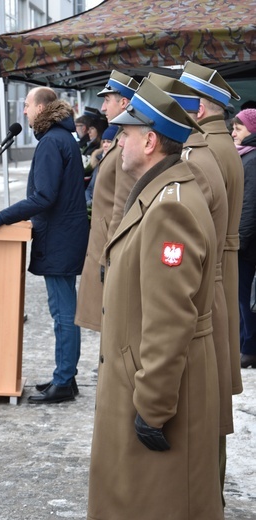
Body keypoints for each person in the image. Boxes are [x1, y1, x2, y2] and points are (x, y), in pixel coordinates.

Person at [87, 78, 223, 520]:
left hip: (153, 392)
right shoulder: (161, 193)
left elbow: (169, 321)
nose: (116, 139)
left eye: (124, 133)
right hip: (140, 379)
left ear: (149, 141)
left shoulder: (170, 206)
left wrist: (152, 408)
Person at [0, 86, 89, 404]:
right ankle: (65, 376)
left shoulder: (52, 141)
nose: (23, 111)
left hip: (60, 238)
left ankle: (64, 380)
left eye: (26, 105)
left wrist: (3, 217)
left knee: (63, 312)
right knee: (63, 309)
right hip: (63, 235)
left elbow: (43, 197)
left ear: (40, 108)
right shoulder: (59, 138)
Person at [147, 73, 233, 442]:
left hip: (202, 292)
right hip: (211, 285)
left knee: (201, 433)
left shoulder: (196, 160)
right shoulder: (206, 151)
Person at [179, 61, 244, 500]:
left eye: (183, 101)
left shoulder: (206, 154)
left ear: (200, 108)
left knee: (206, 404)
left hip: (211, 281)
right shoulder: (220, 146)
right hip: (222, 277)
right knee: (214, 399)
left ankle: (207, 492)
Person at [75, 70, 139, 332]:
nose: (103, 107)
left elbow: (122, 205)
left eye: (108, 100)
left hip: (108, 244)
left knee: (113, 321)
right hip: (102, 240)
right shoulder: (119, 138)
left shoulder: (126, 141)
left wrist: (109, 256)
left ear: (124, 102)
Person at [231, 109, 256, 368]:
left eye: (238, 129)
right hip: (248, 240)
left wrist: (239, 241)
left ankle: (249, 348)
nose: (233, 133)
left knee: (246, 297)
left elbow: (249, 205)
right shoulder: (246, 156)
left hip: (248, 244)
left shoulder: (252, 159)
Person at [85, 125, 119, 206]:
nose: (105, 145)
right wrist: (89, 201)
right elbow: (89, 188)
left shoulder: (117, 163)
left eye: (109, 141)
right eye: (104, 141)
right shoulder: (98, 161)